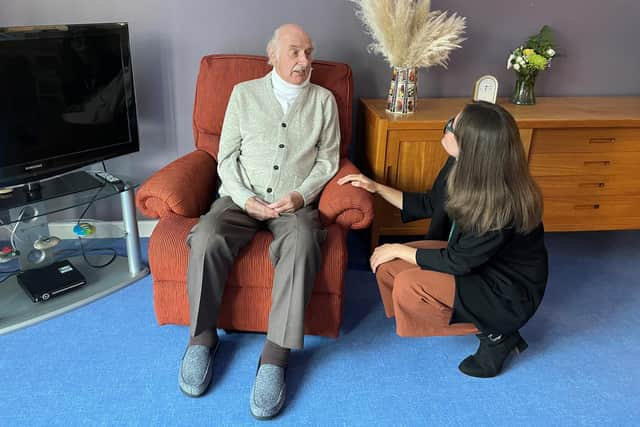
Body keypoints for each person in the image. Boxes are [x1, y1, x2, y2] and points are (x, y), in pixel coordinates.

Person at [180, 24, 340, 419]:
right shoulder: (243, 94)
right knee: (206, 235)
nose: (305, 61)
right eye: (295, 53)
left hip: (295, 203)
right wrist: (243, 198)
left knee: (304, 241)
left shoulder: (324, 101)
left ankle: (275, 355)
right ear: (272, 55)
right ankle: (202, 339)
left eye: (309, 53)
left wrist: (300, 196)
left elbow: (328, 160)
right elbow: (226, 156)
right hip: (240, 199)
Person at [338, 101, 548, 378]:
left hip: (506, 291)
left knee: (409, 286)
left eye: (452, 127)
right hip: (473, 262)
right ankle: (468, 318)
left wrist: (399, 249)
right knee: (388, 266)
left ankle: (498, 333)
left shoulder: (501, 205)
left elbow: (458, 262)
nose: (445, 129)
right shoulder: (461, 165)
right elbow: (428, 203)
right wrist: (376, 188)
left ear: (472, 147)